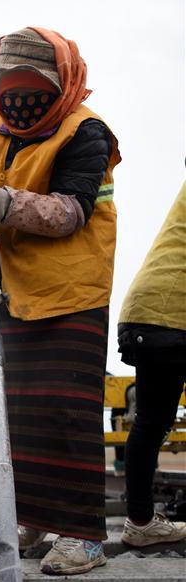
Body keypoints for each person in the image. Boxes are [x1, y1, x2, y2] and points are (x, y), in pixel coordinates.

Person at [0, 27, 121, 575]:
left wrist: (8, 203)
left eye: (31, 86)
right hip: (11, 291)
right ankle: (35, 520)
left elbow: (71, 210)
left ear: (60, 82)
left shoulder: (87, 133)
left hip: (70, 290)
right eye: (8, 86)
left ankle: (83, 536)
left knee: (67, 412)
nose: (19, 97)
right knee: (21, 412)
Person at [118, 183, 186, 547]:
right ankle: (142, 523)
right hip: (173, 311)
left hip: (147, 308)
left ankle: (141, 522)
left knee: (150, 422)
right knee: (151, 422)